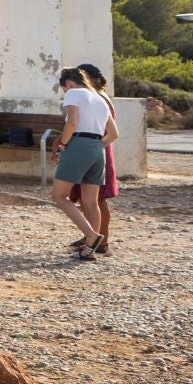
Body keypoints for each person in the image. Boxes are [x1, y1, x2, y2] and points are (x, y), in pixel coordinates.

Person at [50, 65, 117, 260]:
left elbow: (71, 122)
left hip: (78, 144)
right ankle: (90, 249)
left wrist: (62, 145)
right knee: (91, 202)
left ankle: (91, 236)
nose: (65, 92)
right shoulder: (100, 99)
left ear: (69, 83)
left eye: (64, 88)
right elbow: (113, 134)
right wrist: (95, 146)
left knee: (59, 196)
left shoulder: (74, 93)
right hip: (98, 149)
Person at [67, 62, 120, 256]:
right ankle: (91, 235)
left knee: (98, 199)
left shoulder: (98, 98)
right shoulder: (96, 97)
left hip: (97, 149)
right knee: (88, 197)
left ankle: (102, 239)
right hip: (97, 149)